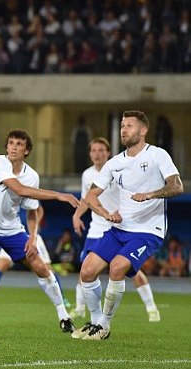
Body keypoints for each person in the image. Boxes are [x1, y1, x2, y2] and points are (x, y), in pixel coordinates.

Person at [74, 111, 183, 340]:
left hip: (147, 231)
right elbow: (91, 196)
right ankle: (94, 322)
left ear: (143, 131)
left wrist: (151, 194)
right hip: (120, 228)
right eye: (123, 125)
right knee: (87, 271)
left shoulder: (157, 155)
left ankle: (104, 325)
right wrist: (105, 213)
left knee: (117, 267)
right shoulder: (115, 163)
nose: (124, 129)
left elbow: (177, 186)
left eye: (130, 126)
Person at [0, 129, 80, 333]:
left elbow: (31, 210)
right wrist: (59, 196)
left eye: (19, 144)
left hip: (11, 229)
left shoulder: (32, 176)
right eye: (11, 142)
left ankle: (64, 316)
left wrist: (33, 238)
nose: (13, 147)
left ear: (26, 150)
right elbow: (19, 190)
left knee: (39, 264)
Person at [71, 137, 162, 325]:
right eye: (93, 150)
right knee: (86, 270)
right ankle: (81, 309)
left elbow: (129, 198)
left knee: (130, 271)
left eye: (101, 150)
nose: (97, 153)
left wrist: (120, 213)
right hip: (97, 228)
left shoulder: (119, 169)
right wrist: (77, 216)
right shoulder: (87, 175)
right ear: (90, 154)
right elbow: (86, 199)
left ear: (108, 152)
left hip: (119, 226)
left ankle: (151, 308)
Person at [0, 206, 71, 309]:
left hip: (31, 236)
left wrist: (35, 226)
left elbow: (39, 208)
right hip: (11, 235)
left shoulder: (27, 191)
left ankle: (61, 298)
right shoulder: (7, 193)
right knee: (2, 264)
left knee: (46, 268)